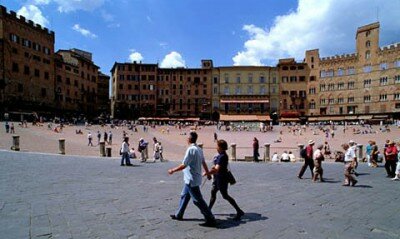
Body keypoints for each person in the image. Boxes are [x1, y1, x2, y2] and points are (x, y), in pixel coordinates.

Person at [168, 132, 217, 227]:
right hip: (192, 178)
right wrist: (207, 173)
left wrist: (173, 170)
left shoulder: (191, 150)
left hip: (191, 178)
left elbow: (184, 164)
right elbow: (203, 162)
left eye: (187, 138)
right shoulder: (199, 149)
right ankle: (179, 214)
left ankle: (210, 218)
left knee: (197, 200)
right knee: (184, 196)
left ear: (189, 139)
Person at [205, 139, 244, 220]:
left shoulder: (222, 156)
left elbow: (217, 169)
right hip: (217, 178)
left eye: (217, 146)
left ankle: (239, 210)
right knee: (213, 192)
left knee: (225, 196)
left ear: (220, 147)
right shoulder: (220, 155)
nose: (216, 147)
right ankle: (208, 210)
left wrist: (208, 173)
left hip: (222, 179)